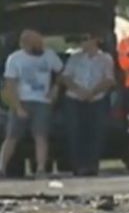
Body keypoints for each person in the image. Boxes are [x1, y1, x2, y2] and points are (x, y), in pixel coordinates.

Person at [0, 30, 64, 178]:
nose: (40, 45)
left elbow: (61, 72)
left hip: (42, 101)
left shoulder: (49, 55)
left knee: (41, 136)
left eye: (40, 42)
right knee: (12, 137)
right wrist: (17, 106)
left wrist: (55, 88)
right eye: (36, 43)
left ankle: (41, 169)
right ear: (25, 44)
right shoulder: (15, 59)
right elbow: (10, 84)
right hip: (22, 100)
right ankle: (2, 168)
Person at [62, 31, 115, 176]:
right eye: (82, 39)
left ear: (95, 40)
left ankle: (92, 165)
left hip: (96, 99)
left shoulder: (105, 59)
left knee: (95, 132)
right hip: (75, 99)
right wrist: (80, 92)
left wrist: (92, 92)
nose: (83, 42)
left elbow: (109, 79)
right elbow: (66, 78)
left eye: (86, 39)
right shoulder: (75, 58)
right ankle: (78, 166)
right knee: (75, 132)